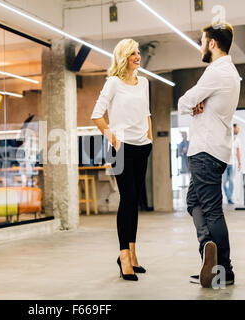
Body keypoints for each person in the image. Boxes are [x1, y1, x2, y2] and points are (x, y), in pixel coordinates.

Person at [177, 22, 241, 288]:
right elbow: (193, 103)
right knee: (193, 201)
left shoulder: (216, 71)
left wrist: (193, 105)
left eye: (202, 41)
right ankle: (210, 252)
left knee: (212, 211)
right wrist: (196, 105)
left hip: (205, 151)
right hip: (215, 150)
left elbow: (183, 102)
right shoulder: (230, 71)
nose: (201, 46)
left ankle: (221, 268)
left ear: (212, 43)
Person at [91, 39, 153, 281]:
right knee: (127, 199)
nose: (138, 57)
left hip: (142, 148)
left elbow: (147, 113)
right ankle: (123, 256)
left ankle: (133, 255)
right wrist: (113, 138)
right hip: (121, 149)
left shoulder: (144, 82)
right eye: (133, 54)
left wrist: (149, 137)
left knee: (134, 201)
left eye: (138, 53)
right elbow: (97, 115)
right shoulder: (113, 83)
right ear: (123, 57)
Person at [222, 124, 241, 204]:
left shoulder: (237, 140)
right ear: (233, 128)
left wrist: (240, 162)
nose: (238, 130)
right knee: (224, 182)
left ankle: (229, 198)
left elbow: (238, 151)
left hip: (233, 163)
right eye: (237, 128)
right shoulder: (226, 138)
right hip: (224, 162)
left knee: (231, 180)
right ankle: (228, 196)